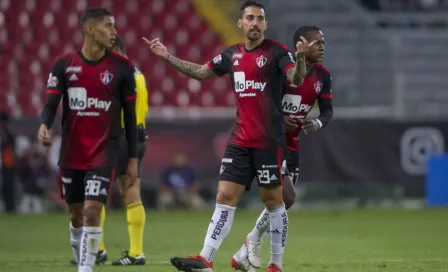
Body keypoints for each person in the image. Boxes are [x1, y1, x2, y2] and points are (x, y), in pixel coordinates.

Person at [143, 1, 314, 272]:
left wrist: (302, 58)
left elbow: (295, 76)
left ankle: (276, 265)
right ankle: (205, 258)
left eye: (260, 18)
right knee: (224, 195)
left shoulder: (277, 51)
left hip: (268, 141)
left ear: (265, 24)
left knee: (274, 201)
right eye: (250, 18)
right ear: (241, 23)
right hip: (239, 140)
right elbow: (200, 73)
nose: (255, 23)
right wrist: (167, 56)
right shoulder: (231, 55)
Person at [38, 8, 138, 272]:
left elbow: (130, 118)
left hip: (104, 152)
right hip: (72, 152)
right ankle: (80, 251)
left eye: (114, 26)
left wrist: (133, 160)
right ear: (90, 29)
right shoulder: (64, 64)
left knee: (93, 210)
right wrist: (44, 126)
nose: (114, 32)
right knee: (76, 214)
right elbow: (50, 104)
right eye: (108, 26)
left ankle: (86, 268)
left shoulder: (123, 69)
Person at [231, 26, 334, 272]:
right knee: (287, 197)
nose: (322, 47)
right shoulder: (282, 69)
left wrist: (318, 122)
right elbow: (261, 99)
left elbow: (328, 110)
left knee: (283, 203)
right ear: (301, 44)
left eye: (323, 43)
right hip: (271, 140)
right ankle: (267, 255)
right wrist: (277, 118)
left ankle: (246, 249)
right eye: (317, 42)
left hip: (293, 143)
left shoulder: (323, 76)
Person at [0, 111, 16, 213]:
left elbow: (12, 149)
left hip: (7, 164)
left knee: (8, 186)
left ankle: (9, 207)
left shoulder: (9, 135)